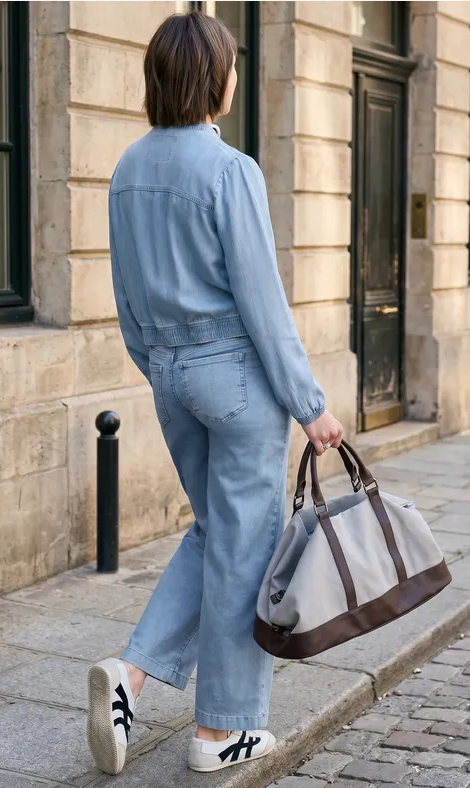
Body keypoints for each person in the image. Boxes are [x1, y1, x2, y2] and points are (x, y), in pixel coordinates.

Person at [86, 10, 343, 777]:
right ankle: (220, 730)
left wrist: (159, 366)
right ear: (213, 78)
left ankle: (129, 676)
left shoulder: (127, 169)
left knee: (215, 532)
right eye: (230, 66)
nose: (234, 77)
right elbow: (262, 302)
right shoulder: (230, 169)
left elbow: (125, 296)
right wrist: (309, 404)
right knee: (245, 545)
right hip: (234, 378)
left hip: (169, 374)